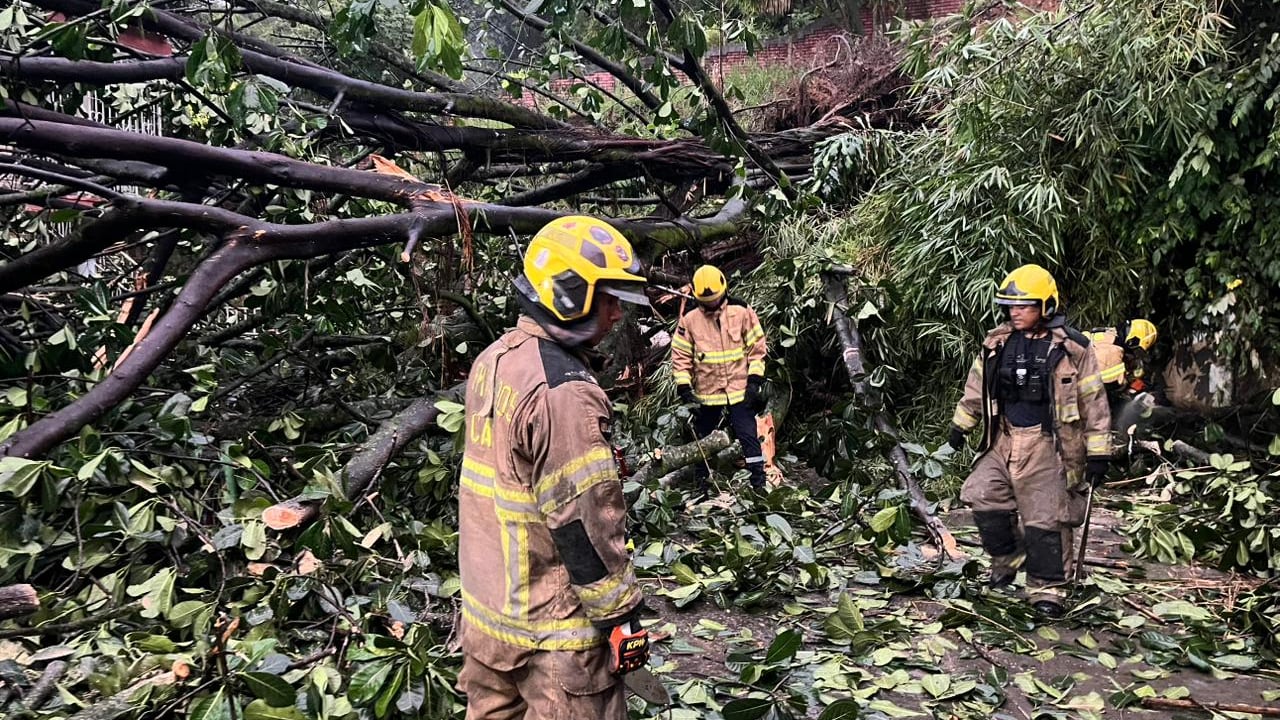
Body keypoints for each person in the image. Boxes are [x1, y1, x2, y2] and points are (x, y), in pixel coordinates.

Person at [456, 216, 651, 719]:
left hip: (488, 620)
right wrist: (621, 615)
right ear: (570, 295)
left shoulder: (493, 359)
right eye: (609, 299)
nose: (616, 314)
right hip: (553, 638)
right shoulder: (564, 393)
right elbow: (582, 523)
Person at [947, 264, 1112, 618]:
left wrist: (1099, 453)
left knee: (1045, 519)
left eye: (1023, 306)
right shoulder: (996, 342)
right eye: (1010, 306)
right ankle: (1009, 558)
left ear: (1046, 306)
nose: (1015, 312)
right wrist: (961, 426)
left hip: (1048, 444)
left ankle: (1046, 589)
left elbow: (1094, 403)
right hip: (1003, 438)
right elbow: (976, 387)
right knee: (981, 493)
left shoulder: (1074, 348)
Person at [671, 264, 769, 490]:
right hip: (707, 392)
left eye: (714, 299)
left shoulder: (741, 311)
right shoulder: (690, 319)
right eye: (706, 301)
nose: (712, 304)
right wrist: (684, 389)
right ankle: (701, 484)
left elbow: (757, 348)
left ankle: (758, 484)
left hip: (739, 389)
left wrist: (754, 382)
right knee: (703, 439)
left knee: (748, 436)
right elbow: (681, 356)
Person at [1087, 318, 1158, 400]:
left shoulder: (1108, 334)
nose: (1135, 353)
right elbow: (1114, 385)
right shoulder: (1114, 353)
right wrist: (1131, 387)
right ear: (1132, 342)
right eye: (1137, 349)